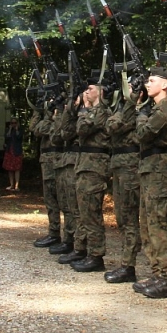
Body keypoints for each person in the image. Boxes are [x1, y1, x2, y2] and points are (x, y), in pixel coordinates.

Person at [132, 67, 167, 299]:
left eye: (152, 81)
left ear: (164, 84)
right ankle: (157, 272)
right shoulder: (154, 108)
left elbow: (144, 133)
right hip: (150, 169)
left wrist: (140, 116)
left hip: (160, 169)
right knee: (149, 224)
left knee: (160, 224)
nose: (147, 84)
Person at [103, 85, 143, 284]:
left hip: (131, 166)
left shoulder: (141, 108)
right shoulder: (122, 107)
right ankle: (127, 263)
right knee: (121, 217)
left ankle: (129, 265)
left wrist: (131, 102)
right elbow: (111, 126)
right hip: (119, 165)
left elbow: (118, 125)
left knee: (129, 217)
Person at [70, 83, 112, 273]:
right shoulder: (92, 111)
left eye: (91, 89)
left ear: (101, 93)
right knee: (84, 211)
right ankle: (87, 251)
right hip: (85, 165)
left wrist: (86, 108)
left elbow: (82, 129)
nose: (87, 91)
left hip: (94, 166)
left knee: (92, 212)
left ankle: (96, 256)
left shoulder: (101, 111)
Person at [53, 100, 85, 263]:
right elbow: (56, 136)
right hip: (68, 160)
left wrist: (68, 112)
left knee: (76, 209)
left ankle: (78, 245)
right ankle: (70, 240)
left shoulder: (88, 113)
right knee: (67, 205)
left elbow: (66, 133)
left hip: (77, 161)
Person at [30, 106, 62, 249]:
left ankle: (65, 236)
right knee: (50, 199)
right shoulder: (49, 118)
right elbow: (33, 127)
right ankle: (54, 232)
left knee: (59, 198)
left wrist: (49, 115)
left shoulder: (61, 117)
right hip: (47, 159)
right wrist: (38, 110)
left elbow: (41, 129)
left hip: (55, 159)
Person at [2, 117, 23, 191]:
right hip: (9, 151)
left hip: (17, 151)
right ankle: (11, 185)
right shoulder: (8, 130)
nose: (13, 124)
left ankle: (17, 185)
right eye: (12, 123)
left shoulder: (20, 130)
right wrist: (10, 129)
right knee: (10, 169)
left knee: (17, 168)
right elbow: (6, 137)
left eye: (15, 123)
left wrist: (17, 130)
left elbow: (19, 137)